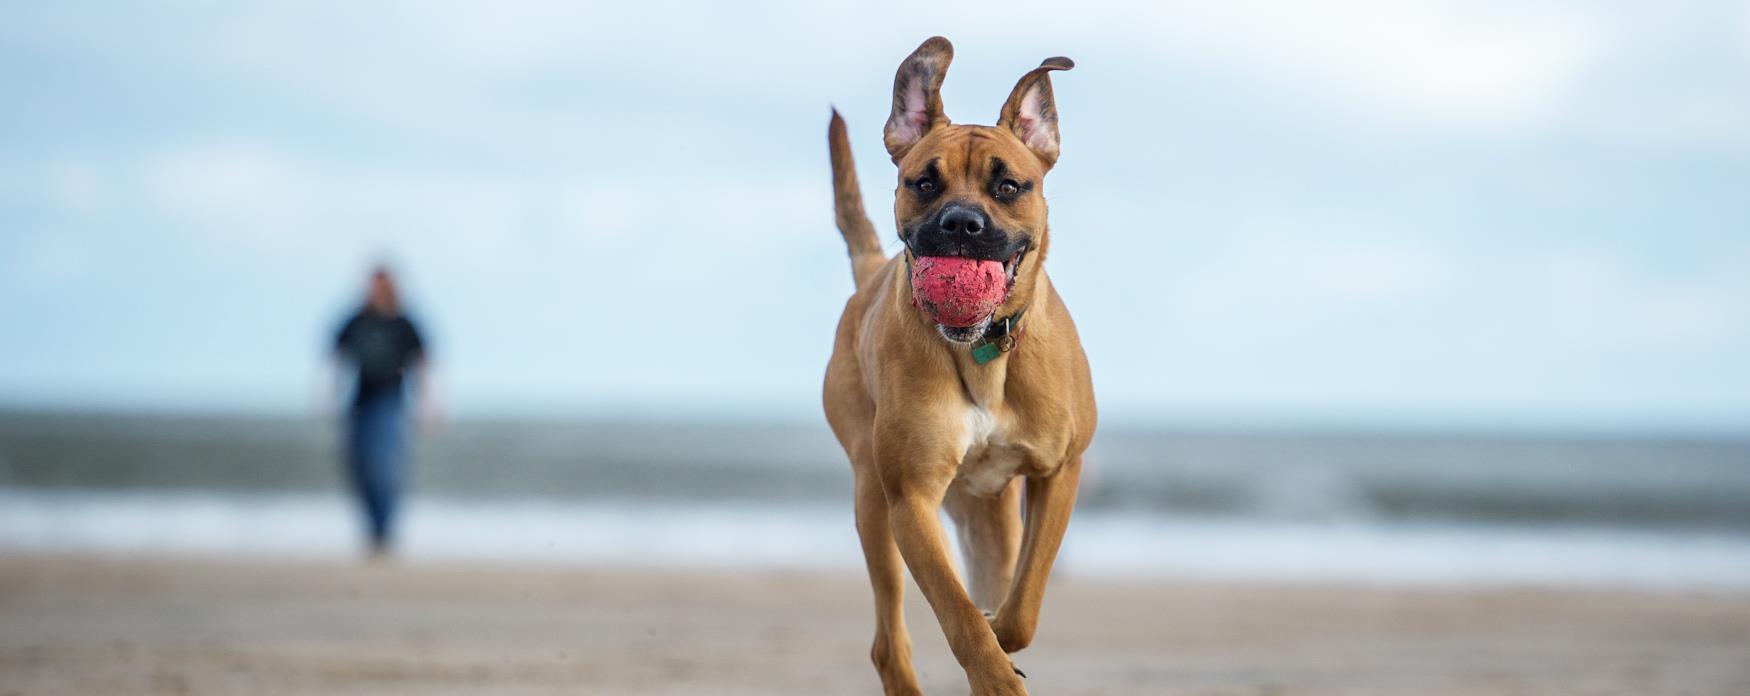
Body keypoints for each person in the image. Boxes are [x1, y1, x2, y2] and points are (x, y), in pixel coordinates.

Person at [331, 265, 428, 559]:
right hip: (359, 402)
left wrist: (427, 404)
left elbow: (423, 362)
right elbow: (337, 356)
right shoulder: (356, 321)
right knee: (359, 466)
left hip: (391, 403)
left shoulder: (404, 324)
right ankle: (373, 531)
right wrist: (330, 395)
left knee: (385, 467)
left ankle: (385, 533)